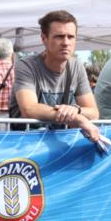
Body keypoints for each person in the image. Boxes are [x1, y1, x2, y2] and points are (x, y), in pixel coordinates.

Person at [8, 10, 102, 144]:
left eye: (71, 37)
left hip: (58, 147)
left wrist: (76, 109)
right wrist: (77, 118)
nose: (66, 42)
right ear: (44, 38)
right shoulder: (26, 65)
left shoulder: (76, 66)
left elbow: (93, 112)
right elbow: (29, 109)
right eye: (59, 36)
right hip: (25, 146)